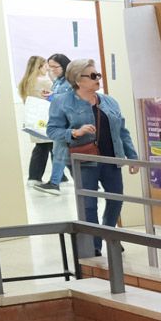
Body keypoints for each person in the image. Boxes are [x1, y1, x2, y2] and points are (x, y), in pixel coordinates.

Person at [48, 58, 139, 257]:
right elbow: (52, 130)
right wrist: (74, 133)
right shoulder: (61, 102)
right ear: (77, 80)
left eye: (97, 75)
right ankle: (94, 244)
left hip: (111, 158)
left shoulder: (109, 101)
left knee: (116, 199)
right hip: (83, 160)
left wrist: (132, 157)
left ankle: (109, 233)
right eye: (92, 76)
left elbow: (122, 131)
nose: (98, 79)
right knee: (89, 204)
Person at [36, 52, 75, 193]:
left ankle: (54, 183)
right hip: (58, 121)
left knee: (59, 152)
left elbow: (72, 99)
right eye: (50, 67)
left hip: (68, 122)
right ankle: (84, 183)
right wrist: (50, 96)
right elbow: (58, 99)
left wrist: (55, 96)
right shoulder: (58, 81)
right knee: (62, 153)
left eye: (55, 67)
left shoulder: (71, 81)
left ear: (64, 65)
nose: (51, 70)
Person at [18, 56, 57, 188]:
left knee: (46, 147)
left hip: (35, 120)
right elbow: (58, 92)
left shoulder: (26, 82)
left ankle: (58, 177)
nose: (48, 68)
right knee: (48, 147)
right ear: (39, 67)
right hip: (46, 119)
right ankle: (35, 177)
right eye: (46, 65)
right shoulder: (44, 81)